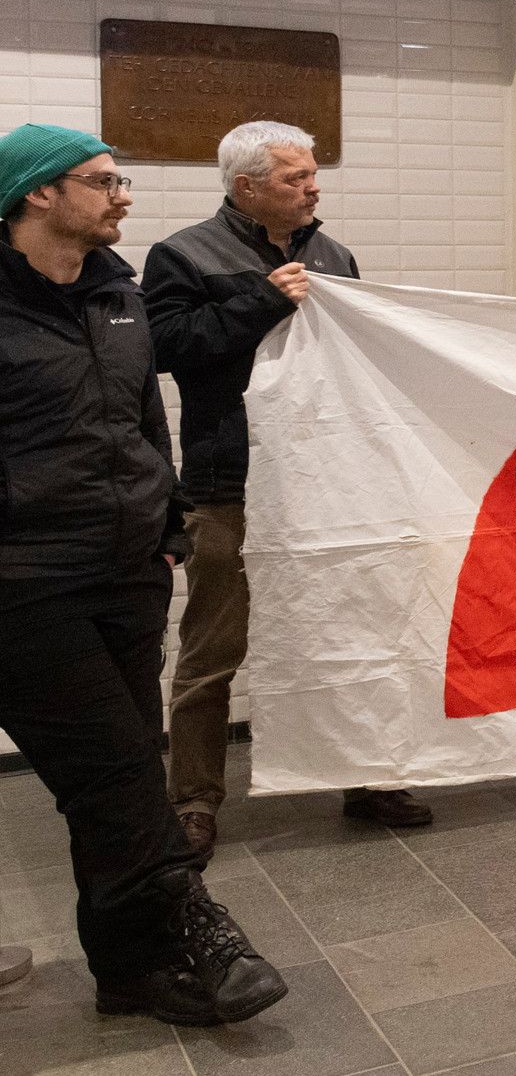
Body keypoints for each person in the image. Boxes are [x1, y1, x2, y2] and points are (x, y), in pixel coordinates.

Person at [0, 124, 286, 1025]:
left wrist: (166, 522)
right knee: (120, 769)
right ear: (39, 194)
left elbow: (139, 419)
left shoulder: (115, 298)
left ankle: (125, 974)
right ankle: (198, 925)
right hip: (26, 583)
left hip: (128, 569)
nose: (123, 195)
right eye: (102, 181)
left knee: (110, 779)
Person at [145, 123, 433, 859]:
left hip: (325, 481)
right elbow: (170, 350)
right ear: (246, 187)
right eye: (295, 177)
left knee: (350, 634)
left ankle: (365, 778)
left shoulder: (333, 255)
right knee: (212, 649)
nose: (313, 187)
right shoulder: (182, 254)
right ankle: (193, 803)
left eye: (311, 174)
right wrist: (261, 302)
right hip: (227, 482)